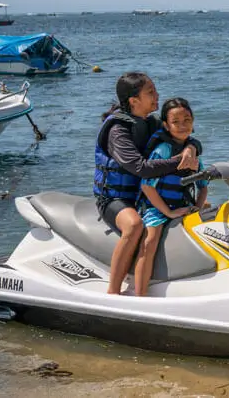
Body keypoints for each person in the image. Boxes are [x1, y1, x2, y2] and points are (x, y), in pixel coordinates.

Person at [94, 72, 201, 295]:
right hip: (115, 199)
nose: (157, 95)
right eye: (150, 92)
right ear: (134, 100)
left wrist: (191, 148)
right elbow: (140, 168)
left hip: (144, 198)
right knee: (134, 226)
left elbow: (183, 135)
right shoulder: (118, 130)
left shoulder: (150, 123)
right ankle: (113, 292)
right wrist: (179, 161)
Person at [135, 98, 208, 297]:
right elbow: (147, 187)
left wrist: (198, 207)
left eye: (187, 120)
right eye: (176, 122)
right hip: (157, 208)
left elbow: (203, 186)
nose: (183, 126)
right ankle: (140, 296)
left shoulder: (194, 155)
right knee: (149, 242)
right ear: (166, 125)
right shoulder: (163, 151)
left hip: (184, 205)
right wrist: (168, 212)